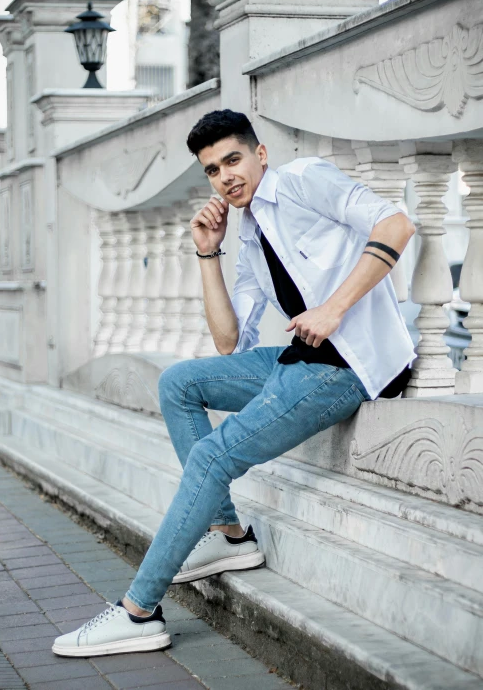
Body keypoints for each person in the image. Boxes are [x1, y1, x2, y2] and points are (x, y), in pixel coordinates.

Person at [52, 109, 416, 657]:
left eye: (233, 160)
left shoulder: (303, 180)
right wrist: (207, 251)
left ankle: (138, 612)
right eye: (212, 170)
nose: (225, 176)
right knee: (180, 382)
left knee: (212, 458)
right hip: (303, 358)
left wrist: (333, 308)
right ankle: (229, 535)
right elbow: (228, 342)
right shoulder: (249, 237)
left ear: (260, 154)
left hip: (349, 367)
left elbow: (396, 224)